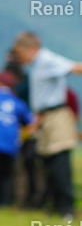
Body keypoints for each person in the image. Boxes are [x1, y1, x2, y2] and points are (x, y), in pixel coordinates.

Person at [11, 32, 82, 220]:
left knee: (60, 163)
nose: (19, 57)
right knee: (47, 162)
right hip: (44, 118)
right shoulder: (36, 66)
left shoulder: (46, 60)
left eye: (20, 52)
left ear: (30, 49)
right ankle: (53, 207)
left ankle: (67, 210)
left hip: (57, 118)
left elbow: (75, 67)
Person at [0, 76, 36, 206]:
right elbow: (31, 123)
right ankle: (5, 202)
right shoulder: (17, 102)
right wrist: (21, 135)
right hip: (9, 144)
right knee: (6, 175)